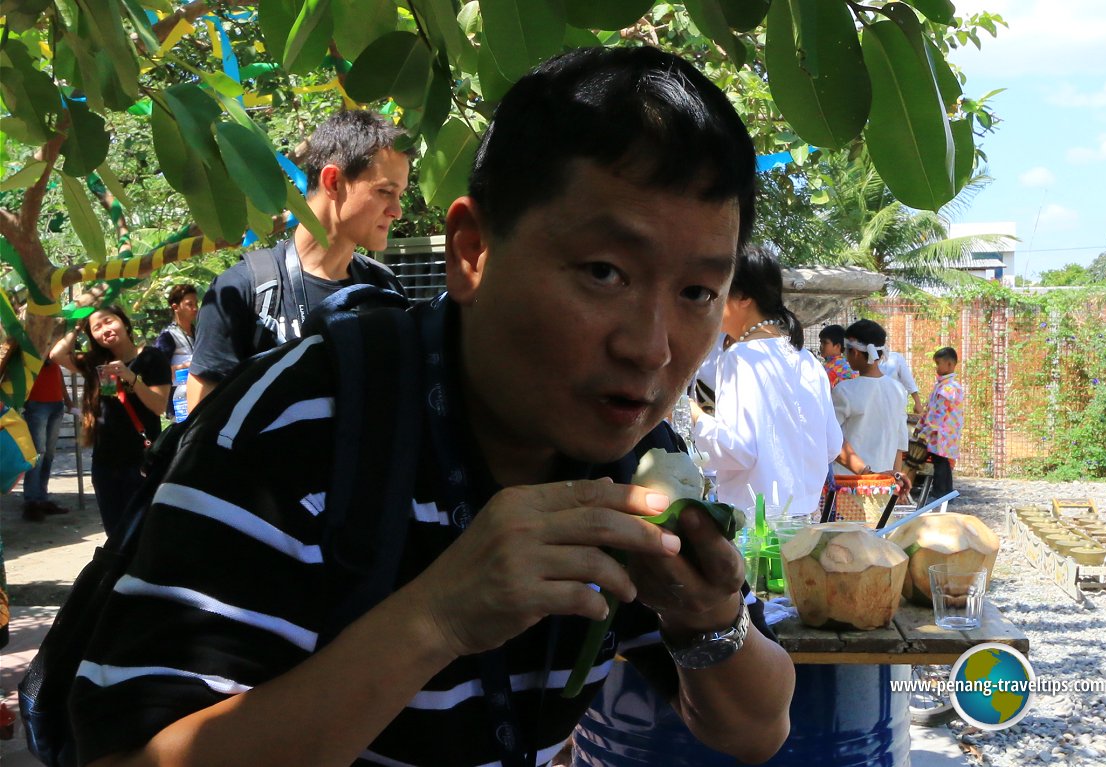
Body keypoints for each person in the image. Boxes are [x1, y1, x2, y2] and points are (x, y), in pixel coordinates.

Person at [70, 47, 794, 767]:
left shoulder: (629, 452)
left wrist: (707, 614)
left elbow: (757, 729)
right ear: (472, 251)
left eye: (698, 292)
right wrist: (436, 619)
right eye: (605, 272)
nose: (652, 347)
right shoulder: (296, 429)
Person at [186, 110, 409, 410]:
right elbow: (203, 437)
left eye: (400, 195)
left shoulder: (383, 287)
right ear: (333, 182)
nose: (397, 211)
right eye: (385, 192)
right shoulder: (242, 290)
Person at [689, 245, 842, 516]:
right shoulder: (807, 359)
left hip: (758, 531)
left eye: (715, 292)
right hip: (803, 522)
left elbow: (738, 450)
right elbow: (831, 445)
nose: (710, 302)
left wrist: (695, 415)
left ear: (744, 296)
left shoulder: (741, 356)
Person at [49, 306, 170, 535]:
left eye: (109, 321)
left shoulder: (152, 358)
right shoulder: (96, 362)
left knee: (143, 533)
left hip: (141, 462)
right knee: (115, 535)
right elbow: (57, 355)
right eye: (97, 328)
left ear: (124, 322)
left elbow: (159, 406)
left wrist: (131, 377)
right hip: (105, 463)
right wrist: (78, 326)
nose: (105, 329)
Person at [831, 319, 908, 476]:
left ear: (856, 352)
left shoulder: (844, 391)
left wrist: (866, 474)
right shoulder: (898, 390)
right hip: (883, 483)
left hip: (849, 482)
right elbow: (900, 442)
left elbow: (830, 437)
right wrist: (895, 479)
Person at [19, 359, 71, 521]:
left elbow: (58, 373)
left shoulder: (53, 350)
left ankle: (42, 498)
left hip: (56, 403)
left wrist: (67, 400)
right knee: (38, 453)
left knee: (48, 454)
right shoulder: (31, 348)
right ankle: (31, 502)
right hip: (36, 404)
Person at [914, 346, 964, 500]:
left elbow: (938, 414)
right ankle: (947, 492)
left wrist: (925, 430)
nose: (936, 367)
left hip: (942, 433)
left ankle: (941, 492)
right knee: (941, 462)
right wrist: (921, 426)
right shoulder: (944, 386)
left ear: (949, 365)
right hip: (941, 432)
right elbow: (931, 409)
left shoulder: (948, 387)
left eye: (939, 363)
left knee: (940, 462)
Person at [153, 283, 197, 421]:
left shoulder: (197, 331)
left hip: (199, 398)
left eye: (196, 303)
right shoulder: (168, 336)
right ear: (175, 307)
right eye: (190, 304)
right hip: (180, 405)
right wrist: (185, 367)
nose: (195, 308)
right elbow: (158, 372)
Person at [878, 345, 923, 414]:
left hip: (895, 404)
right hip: (875, 404)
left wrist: (917, 403)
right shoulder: (864, 359)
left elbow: (908, 381)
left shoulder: (895, 358)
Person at [818, 323, 857, 389]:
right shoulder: (848, 365)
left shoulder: (831, 368)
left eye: (825, 343)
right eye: (821, 342)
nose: (821, 346)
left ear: (837, 346)